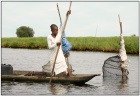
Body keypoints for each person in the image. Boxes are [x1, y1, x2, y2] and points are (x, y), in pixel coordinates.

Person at [47, 10, 71, 77]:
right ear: (52, 30)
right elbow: (49, 46)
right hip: (53, 56)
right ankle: (53, 76)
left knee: (63, 64)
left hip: (60, 55)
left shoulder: (59, 34)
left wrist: (67, 16)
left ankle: (67, 75)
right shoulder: (49, 37)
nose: (57, 31)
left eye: (57, 29)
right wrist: (56, 44)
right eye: (55, 30)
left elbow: (64, 25)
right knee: (54, 68)